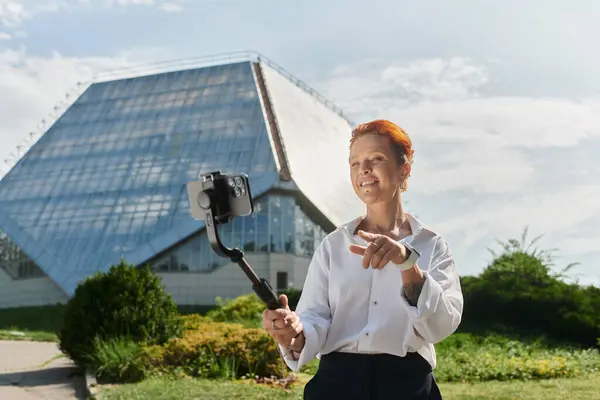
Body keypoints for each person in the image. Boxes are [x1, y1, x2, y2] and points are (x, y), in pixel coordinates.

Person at [262, 119, 463, 399]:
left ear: (404, 168)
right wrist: (293, 334)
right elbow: (314, 317)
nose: (363, 169)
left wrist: (408, 264)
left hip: (408, 386)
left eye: (376, 158)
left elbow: (441, 326)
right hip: (335, 386)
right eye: (355, 162)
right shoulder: (333, 245)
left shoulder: (432, 246)